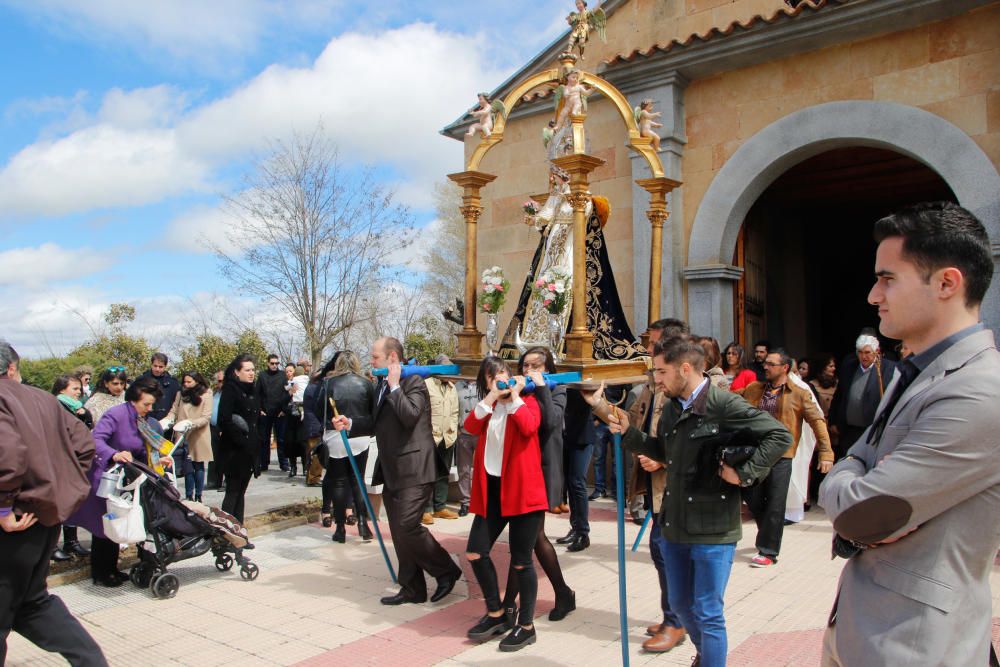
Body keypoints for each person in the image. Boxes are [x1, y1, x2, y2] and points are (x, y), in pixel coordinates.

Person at [819, 202, 1000, 666]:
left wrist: (846, 479)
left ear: (946, 283)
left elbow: (860, 514)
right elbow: (859, 461)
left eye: (888, 278)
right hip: (865, 625)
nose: (873, 295)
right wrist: (856, 472)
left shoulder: (980, 390)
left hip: (915, 644)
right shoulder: (914, 370)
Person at [590, 335, 790, 667]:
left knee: (708, 612)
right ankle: (706, 655)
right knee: (682, 606)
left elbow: (779, 435)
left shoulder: (722, 404)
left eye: (662, 371)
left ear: (685, 368)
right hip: (675, 525)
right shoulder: (671, 408)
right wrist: (628, 432)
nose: (657, 379)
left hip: (714, 529)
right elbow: (664, 452)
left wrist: (746, 473)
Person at [0, 341, 108, 666]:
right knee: (32, 603)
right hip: (42, 521)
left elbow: (8, 457)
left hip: (14, 523)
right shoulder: (43, 399)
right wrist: (58, 497)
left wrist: (4, 507)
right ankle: (91, 661)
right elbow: (84, 445)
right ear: (12, 368)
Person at [332, 337, 461, 606]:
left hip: (415, 468)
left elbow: (410, 415)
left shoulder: (413, 382)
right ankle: (412, 588)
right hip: (391, 470)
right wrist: (351, 423)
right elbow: (377, 424)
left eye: (375, 356)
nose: (371, 361)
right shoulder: (380, 386)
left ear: (392, 358)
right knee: (399, 532)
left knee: (407, 525)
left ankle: (446, 571)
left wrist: (393, 386)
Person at [462, 356, 547, 652]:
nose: (500, 377)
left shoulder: (526, 403)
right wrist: (491, 397)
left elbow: (529, 427)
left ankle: (526, 626)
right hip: (494, 493)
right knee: (475, 551)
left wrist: (514, 397)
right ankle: (497, 613)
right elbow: (470, 426)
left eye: (503, 372)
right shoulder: (489, 408)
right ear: (485, 382)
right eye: (492, 375)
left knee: (522, 561)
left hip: (523, 492)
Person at [736, 348, 833, 567]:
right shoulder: (754, 389)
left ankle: (768, 552)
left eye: (771, 364)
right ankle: (768, 533)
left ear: (785, 368)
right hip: (754, 454)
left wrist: (826, 453)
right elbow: (732, 401)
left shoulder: (798, 392)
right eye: (766, 363)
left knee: (775, 502)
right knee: (752, 496)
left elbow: (817, 421)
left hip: (782, 455)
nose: (765, 367)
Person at [625, 319, 688, 653]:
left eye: (653, 345)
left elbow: (697, 441)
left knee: (669, 553)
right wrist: (602, 408)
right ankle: (672, 616)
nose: (647, 351)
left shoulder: (698, 390)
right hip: (655, 485)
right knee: (660, 551)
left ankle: (678, 622)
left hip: (677, 488)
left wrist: (663, 460)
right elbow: (635, 418)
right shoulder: (653, 383)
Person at [500, 346, 575, 624]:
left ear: (548, 369)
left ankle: (509, 606)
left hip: (543, 471)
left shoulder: (557, 389)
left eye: (535, 366)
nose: (528, 371)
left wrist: (542, 387)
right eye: (525, 366)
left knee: (527, 539)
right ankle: (563, 593)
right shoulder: (521, 390)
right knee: (532, 539)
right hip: (521, 471)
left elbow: (551, 422)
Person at [69, 376, 168, 587]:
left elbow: (145, 449)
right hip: (106, 478)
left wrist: (160, 459)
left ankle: (111, 568)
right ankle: (101, 573)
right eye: (146, 404)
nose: (149, 409)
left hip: (125, 480)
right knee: (104, 526)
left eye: (152, 404)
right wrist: (113, 454)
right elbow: (95, 439)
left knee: (116, 525)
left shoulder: (140, 421)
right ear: (133, 400)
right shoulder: (116, 414)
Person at [318, 351, 375, 543]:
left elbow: (320, 410)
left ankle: (340, 528)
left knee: (339, 482)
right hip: (360, 435)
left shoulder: (329, 383)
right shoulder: (366, 383)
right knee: (357, 480)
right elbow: (373, 412)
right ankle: (362, 522)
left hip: (336, 435)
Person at [827, 333, 895, 459]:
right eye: (860, 352)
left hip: (873, 429)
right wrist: (833, 420)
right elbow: (839, 395)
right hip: (850, 431)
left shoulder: (888, 369)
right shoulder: (849, 367)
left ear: (877, 351)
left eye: (867, 352)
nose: (864, 356)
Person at [49, 374, 93, 562]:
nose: (79, 392)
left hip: (73, 460)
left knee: (72, 502)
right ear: (61, 390)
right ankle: (51, 547)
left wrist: (86, 415)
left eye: (79, 389)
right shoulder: (56, 406)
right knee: (56, 504)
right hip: (59, 460)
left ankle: (71, 541)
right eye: (74, 389)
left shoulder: (77, 408)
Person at [218, 354, 261, 523]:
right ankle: (226, 532)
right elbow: (224, 419)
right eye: (247, 370)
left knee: (241, 492)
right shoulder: (230, 389)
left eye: (252, 370)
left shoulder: (253, 390)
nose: (251, 373)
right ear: (237, 372)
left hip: (250, 449)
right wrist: (242, 441)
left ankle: (239, 532)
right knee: (233, 492)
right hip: (234, 451)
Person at [163, 371, 213, 503]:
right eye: (184, 382)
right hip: (182, 433)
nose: (186, 384)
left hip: (198, 434)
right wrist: (164, 422)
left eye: (189, 382)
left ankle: (198, 495)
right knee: (187, 466)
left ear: (197, 381)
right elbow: (174, 411)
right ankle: (189, 495)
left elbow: (206, 417)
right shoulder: (180, 394)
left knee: (198, 465)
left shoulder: (206, 394)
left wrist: (191, 423)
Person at [557, 388, 596, 552]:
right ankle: (575, 527)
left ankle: (583, 533)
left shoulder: (580, 379)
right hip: (565, 435)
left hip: (582, 436)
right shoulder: (557, 379)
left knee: (577, 482)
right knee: (570, 483)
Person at [424, 354, 459, 522]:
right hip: (431, 436)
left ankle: (440, 506)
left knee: (443, 472)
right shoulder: (427, 385)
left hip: (448, 436)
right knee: (427, 474)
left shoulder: (452, 387)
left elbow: (455, 412)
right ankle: (426, 509)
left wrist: (453, 431)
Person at [256, 354, 289, 472]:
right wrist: (260, 409)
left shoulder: (282, 376)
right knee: (264, 439)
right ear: (268, 363)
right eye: (272, 363)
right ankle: (264, 463)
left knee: (281, 439)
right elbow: (257, 394)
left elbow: (287, 394)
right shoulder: (262, 376)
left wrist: (283, 410)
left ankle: (284, 463)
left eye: (277, 363)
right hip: (265, 412)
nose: (274, 365)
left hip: (279, 412)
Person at [454, 378, 480, 517]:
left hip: (481, 433)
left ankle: (482, 500)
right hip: (463, 433)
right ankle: (466, 502)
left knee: (482, 469)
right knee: (464, 469)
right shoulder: (457, 386)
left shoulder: (483, 384)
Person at [140, 352, 180, 424]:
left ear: (165, 366)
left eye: (160, 367)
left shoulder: (173, 383)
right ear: (151, 365)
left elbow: (177, 403)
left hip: (166, 422)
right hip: (144, 421)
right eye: (155, 366)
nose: (157, 369)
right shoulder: (141, 380)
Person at [206, 369, 225, 490]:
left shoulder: (230, 394)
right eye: (219, 381)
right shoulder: (214, 393)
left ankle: (227, 481)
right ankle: (213, 480)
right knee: (213, 455)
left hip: (225, 427)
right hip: (213, 427)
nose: (221, 383)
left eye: (223, 381)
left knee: (226, 456)